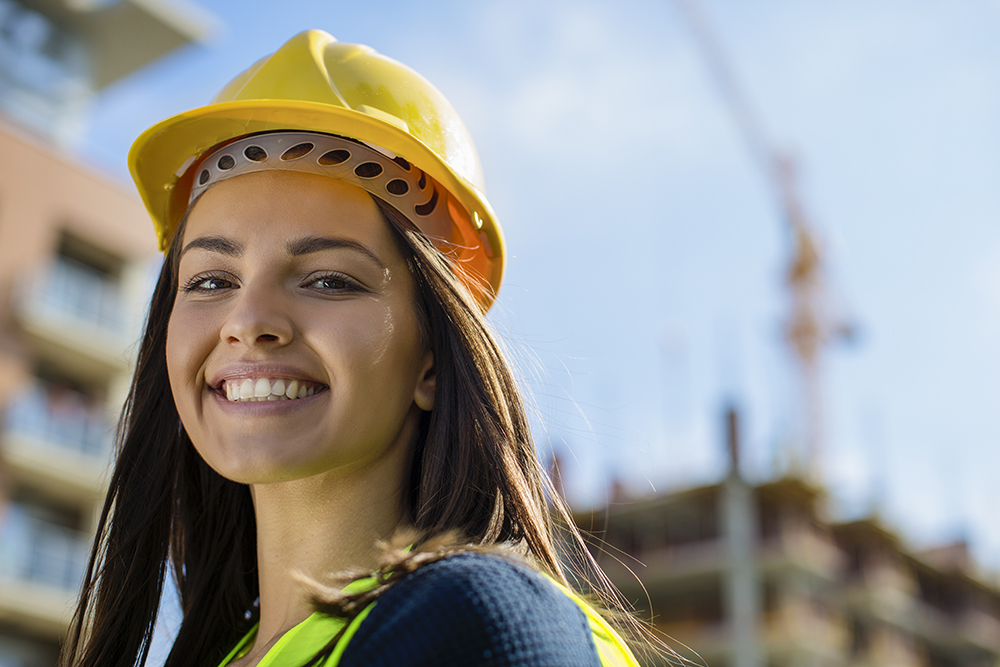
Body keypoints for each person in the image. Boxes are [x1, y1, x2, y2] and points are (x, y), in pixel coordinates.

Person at [60, 31, 652, 667]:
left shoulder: (474, 623)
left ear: (433, 360)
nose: (249, 321)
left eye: (329, 280)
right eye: (211, 281)